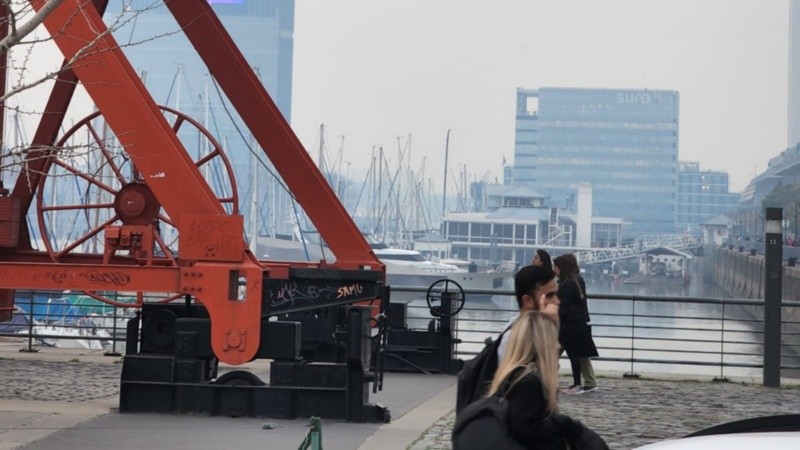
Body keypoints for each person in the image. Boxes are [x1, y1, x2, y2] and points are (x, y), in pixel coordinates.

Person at [452, 312, 609, 450]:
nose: (558, 345)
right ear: (542, 343)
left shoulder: (509, 376)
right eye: (554, 338)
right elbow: (526, 430)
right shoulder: (529, 382)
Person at [553, 253, 598, 395]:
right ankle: (586, 382)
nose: (554, 270)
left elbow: (564, 305)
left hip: (569, 324)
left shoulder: (569, 283)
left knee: (569, 354)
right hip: (576, 323)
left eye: (556, 267)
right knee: (577, 353)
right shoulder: (574, 280)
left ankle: (577, 383)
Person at [497, 265, 559, 362]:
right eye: (550, 295)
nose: (557, 301)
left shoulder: (533, 331)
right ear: (528, 300)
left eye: (557, 295)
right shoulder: (514, 338)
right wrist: (548, 327)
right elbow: (544, 373)